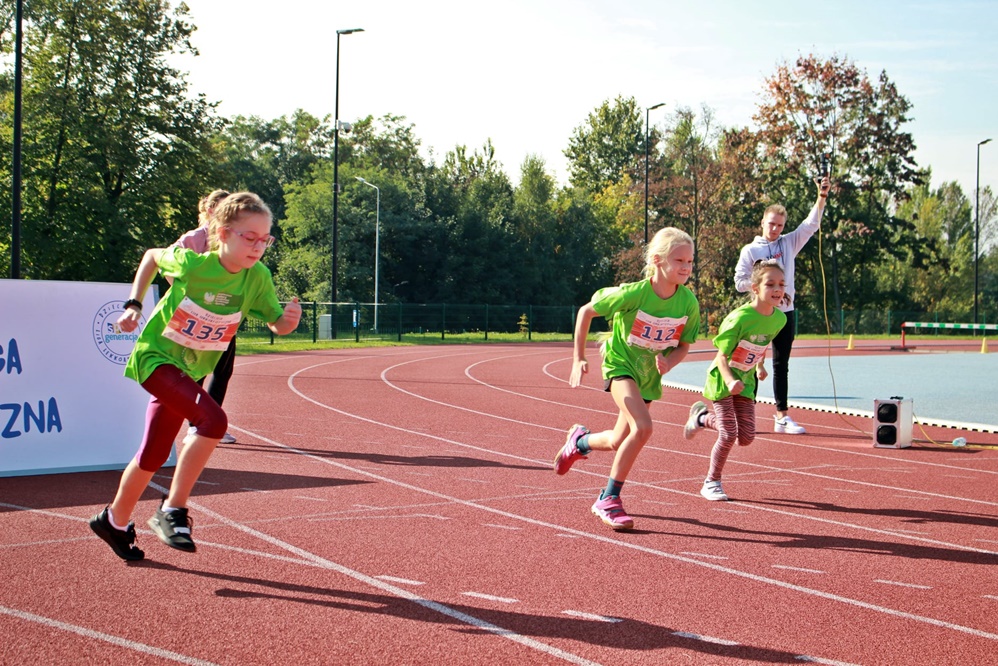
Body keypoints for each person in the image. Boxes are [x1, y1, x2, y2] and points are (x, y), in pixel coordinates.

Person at [89, 192, 301, 561]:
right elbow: (152, 256)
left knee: (154, 452)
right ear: (224, 233)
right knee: (213, 419)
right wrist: (135, 304)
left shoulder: (257, 278)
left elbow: (275, 321)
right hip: (155, 358)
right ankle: (173, 509)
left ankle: (114, 520)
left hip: (190, 369)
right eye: (248, 237)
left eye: (264, 239)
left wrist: (288, 322)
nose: (257, 246)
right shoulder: (193, 264)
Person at [553, 227, 700, 530]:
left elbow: (685, 344)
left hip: (647, 375)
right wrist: (578, 357)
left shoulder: (688, 303)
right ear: (658, 261)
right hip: (620, 366)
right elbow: (586, 312)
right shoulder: (633, 293)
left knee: (619, 439)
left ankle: (579, 442)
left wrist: (669, 361)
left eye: (690, 262)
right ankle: (608, 498)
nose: (686, 268)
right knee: (644, 427)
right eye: (679, 261)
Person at [733, 176, 830, 434]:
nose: (775, 229)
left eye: (780, 225)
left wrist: (821, 197)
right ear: (763, 223)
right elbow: (738, 281)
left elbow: (811, 225)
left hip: (785, 313)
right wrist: (759, 285)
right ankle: (746, 416)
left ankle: (781, 416)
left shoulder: (788, 243)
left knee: (781, 365)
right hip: (759, 314)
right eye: (772, 224)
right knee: (749, 363)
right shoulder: (750, 251)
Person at [684, 260, 787, 501]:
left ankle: (701, 418)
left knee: (747, 437)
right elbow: (721, 357)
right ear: (755, 288)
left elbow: (760, 344)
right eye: (770, 284)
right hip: (723, 379)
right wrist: (730, 380)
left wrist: (760, 366)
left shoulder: (779, 319)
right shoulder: (739, 318)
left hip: (747, 380)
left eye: (781, 284)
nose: (777, 289)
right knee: (729, 434)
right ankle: (711, 482)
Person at [172, 189, 238, 445]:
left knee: (223, 371)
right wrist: (185, 296)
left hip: (226, 315)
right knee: (195, 370)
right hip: (197, 317)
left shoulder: (231, 240)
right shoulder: (194, 238)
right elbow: (168, 264)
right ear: (210, 210)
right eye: (224, 209)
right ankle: (194, 424)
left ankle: (209, 424)